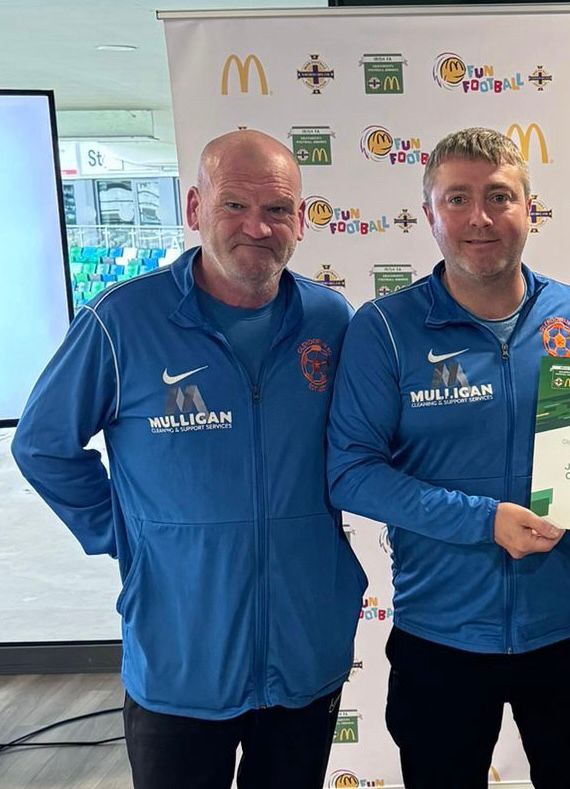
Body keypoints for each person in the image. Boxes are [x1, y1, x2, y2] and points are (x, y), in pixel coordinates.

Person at [12, 129, 367, 789]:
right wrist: (122, 535)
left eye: (277, 209)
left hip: (303, 644)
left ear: (301, 220)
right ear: (195, 209)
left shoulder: (329, 318)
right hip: (180, 656)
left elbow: (372, 440)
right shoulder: (122, 320)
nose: (256, 226)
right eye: (235, 205)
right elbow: (42, 444)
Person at [326, 127, 570, 789]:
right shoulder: (385, 329)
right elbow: (351, 470)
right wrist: (483, 520)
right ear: (429, 214)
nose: (479, 217)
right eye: (456, 198)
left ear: (529, 209)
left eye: (498, 196)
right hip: (441, 636)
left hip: (568, 628)